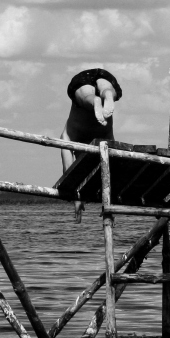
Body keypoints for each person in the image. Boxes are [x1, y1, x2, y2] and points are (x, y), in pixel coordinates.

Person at [60, 68, 122, 222]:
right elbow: (112, 171)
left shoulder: (68, 137)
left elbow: (69, 173)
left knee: (86, 98)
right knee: (93, 94)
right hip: (100, 77)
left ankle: (96, 100)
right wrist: (109, 206)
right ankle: (105, 94)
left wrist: (77, 197)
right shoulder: (104, 139)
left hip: (85, 85)